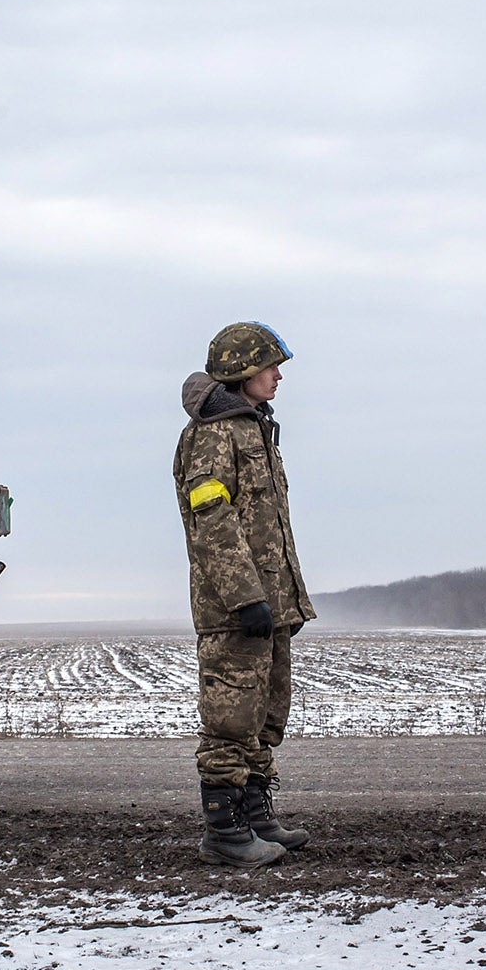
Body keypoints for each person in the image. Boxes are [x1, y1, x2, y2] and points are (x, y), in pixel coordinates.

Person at [173, 321, 315, 867]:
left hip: (267, 607)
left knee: (264, 716)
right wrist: (245, 598)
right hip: (235, 610)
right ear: (242, 371)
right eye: (270, 367)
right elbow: (213, 520)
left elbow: (269, 526)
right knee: (231, 720)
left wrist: (286, 602)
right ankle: (224, 834)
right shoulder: (213, 433)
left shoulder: (254, 428)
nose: (278, 377)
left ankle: (255, 816)